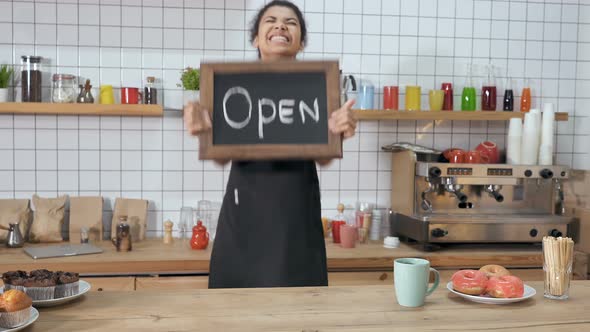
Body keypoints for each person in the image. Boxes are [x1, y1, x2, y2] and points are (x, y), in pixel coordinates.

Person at [184, 0, 357, 288]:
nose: (280, 26)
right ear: (256, 38)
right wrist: (205, 132)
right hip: (243, 221)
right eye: (271, 20)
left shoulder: (318, 88)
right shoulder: (232, 89)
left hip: (297, 222)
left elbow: (324, 158)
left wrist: (338, 132)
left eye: (291, 22)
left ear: (301, 42)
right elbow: (219, 158)